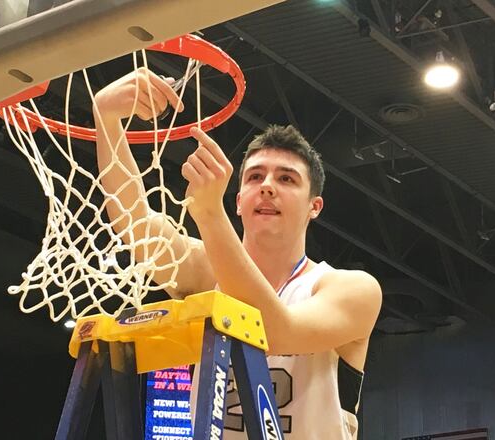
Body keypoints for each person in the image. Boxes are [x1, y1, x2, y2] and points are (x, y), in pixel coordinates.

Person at [92, 67, 382, 439]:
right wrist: (107, 117)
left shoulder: (350, 289)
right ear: (239, 200)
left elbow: (275, 331)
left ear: (315, 206)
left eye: (287, 178)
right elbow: (136, 226)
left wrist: (210, 215)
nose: (267, 187)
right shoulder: (205, 270)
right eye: (255, 177)